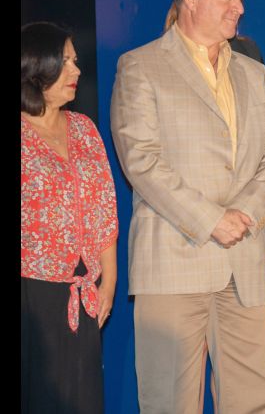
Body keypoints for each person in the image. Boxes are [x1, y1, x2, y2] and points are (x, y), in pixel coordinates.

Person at [110, 0, 265, 413]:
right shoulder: (140, 66)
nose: (240, 6)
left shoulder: (254, 73)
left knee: (254, 401)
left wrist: (246, 213)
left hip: (243, 263)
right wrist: (211, 219)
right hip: (174, 263)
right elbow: (142, 162)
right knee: (170, 402)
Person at [21, 21, 118, 414]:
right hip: (32, 297)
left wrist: (108, 278)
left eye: (75, 62)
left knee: (83, 401)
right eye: (65, 62)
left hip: (84, 294)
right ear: (35, 68)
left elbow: (104, 206)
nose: (77, 71)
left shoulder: (85, 129)